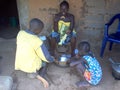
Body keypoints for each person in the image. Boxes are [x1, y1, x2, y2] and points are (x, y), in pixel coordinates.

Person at [15, 18, 54, 88]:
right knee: (45, 61)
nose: (41, 31)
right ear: (38, 30)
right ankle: (41, 75)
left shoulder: (20, 33)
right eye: (41, 30)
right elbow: (47, 57)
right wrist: (52, 60)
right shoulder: (37, 41)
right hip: (30, 67)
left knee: (32, 52)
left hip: (20, 64)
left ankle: (32, 73)